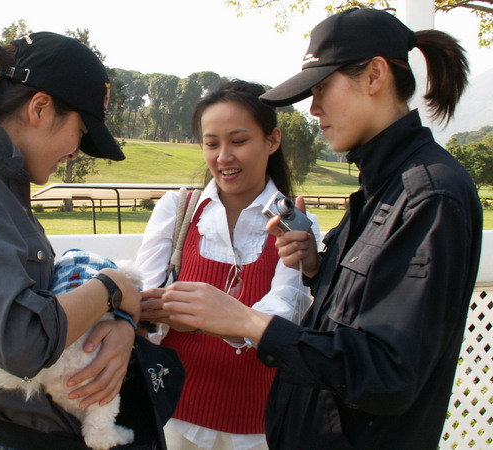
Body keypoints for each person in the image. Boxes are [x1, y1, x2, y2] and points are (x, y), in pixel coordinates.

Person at [159, 8, 483, 450]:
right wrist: (318, 268)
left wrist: (247, 321)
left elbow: (386, 371)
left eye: (322, 88)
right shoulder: (381, 188)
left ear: (374, 76)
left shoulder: (429, 196)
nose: (313, 110)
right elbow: (362, 311)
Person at [0, 30, 144, 449]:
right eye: (80, 132)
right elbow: (22, 341)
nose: (75, 151)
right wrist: (113, 288)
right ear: (39, 108)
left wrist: (123, 322)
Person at [134, 80, 320, 450]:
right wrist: (231, 321)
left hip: (261, 423)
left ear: (272, 140)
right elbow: (143, 307)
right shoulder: (178, 210)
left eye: (238, 141)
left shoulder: (298, 224)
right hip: (175, 411)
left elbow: (283, 314)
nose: (223, 157)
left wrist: (191, 317)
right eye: (212, 143)